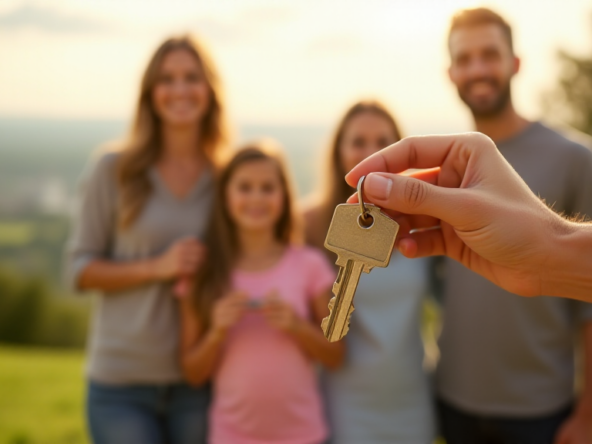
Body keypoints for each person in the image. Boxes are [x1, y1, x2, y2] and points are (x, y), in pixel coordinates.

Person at [428, 9, 592, 444]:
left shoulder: (576, 159)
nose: (477, 69)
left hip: (541, 411)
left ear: (515, 62)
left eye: (489, 54)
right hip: (453, 401)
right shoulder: (443, 169)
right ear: (451, 73)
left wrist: (589, 413)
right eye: (465, 59)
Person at [64, 34, 228, 444]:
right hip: (121, 384)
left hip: (199, 381)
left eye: (191, 77)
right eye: (166, 79)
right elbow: (78, 271)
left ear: (209, 90)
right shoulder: (113, 170)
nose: (179, 90)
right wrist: (158, 267)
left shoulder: (228, 179)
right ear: (150, 93)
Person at [178, 142, 344, 444]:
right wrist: (216, 332)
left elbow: (336, 355)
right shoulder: (204, 272)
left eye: (267, 187)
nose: (256, 197)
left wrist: (298, 327)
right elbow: (192, 373)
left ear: (284, 195)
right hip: (230, 436)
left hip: (304, 435)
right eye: (245, 187)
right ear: (225, 195)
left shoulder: (310, 265)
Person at [302, 100, 435, 443]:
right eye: (358, 142)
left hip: (412, 399)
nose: (371, 153)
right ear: (338, 152)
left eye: (383, 142)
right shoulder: (311, 225)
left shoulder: (425, 223)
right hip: (345, 403)